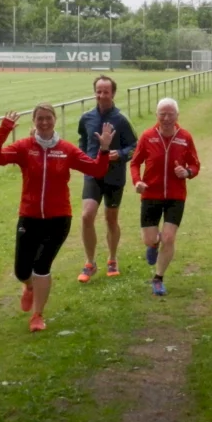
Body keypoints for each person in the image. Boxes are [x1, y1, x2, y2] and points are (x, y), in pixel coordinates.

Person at [0, 103, 115, 332]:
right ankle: (29, 287)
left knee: (41, 266)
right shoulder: (24, 147)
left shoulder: (66, 149)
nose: (44, 122)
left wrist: (104, 149)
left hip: (58, 218)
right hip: (29, 216)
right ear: (34, 121)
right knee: (22, 271)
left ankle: (37, 315)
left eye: (48, 118)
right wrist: (4, 130)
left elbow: (97, 170)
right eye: (40, 118)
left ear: (55, 120)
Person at [130, 97, 200, 296]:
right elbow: (135, 163)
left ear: (177, 115)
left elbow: (195, 164)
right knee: (149, 239)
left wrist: (187, 172)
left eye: (170, 114)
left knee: (168, 238)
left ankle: (158, 278)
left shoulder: (185, 137)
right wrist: (137, 181)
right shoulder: (147, 136)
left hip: (176, 196)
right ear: (157, 115)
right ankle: (152, 244)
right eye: (163, 114)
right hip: (151, 194)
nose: (167, 118)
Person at [76, 75, 138, 282]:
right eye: (99, 91)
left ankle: (112, 259)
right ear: (95, 92)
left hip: (114, 176)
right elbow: (82, 142)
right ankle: (90, 263)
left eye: (106, 92)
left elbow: (135, 147)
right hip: (93, 175)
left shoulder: (121, 119)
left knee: (111, 219)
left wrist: (119, 154)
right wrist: (84, 159)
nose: (102, 95)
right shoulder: (86, 118)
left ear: (113, 94)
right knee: (87, 216)